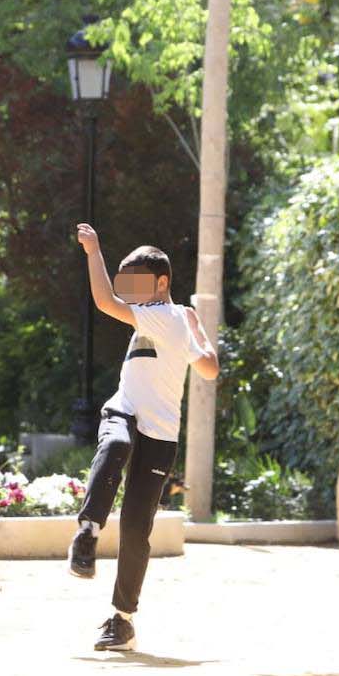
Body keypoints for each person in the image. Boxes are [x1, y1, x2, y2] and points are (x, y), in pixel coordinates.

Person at [66, 223, 219, 651]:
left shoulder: (171, 317)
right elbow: (107, 302)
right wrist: (195, 330)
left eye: (135, 281)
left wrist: (93, 249)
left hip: (162, 433)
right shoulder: (160, 317)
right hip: (124, 408)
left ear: (162, 282)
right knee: (114, 444)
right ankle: (87, 533)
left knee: (137, 529)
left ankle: (122, 621)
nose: (128, 289)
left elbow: (208, 367)